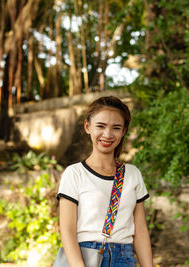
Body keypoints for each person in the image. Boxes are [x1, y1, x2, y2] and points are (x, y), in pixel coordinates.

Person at [57, 95, 154, 267]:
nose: (107, 134)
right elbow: (67, 231)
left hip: (124, 259)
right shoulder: (74, 174)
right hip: (85, 257)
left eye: (116, 128)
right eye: (100, 126)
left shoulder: (133, 174)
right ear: (87, 127)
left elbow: (140, 231)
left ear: (124, 131)